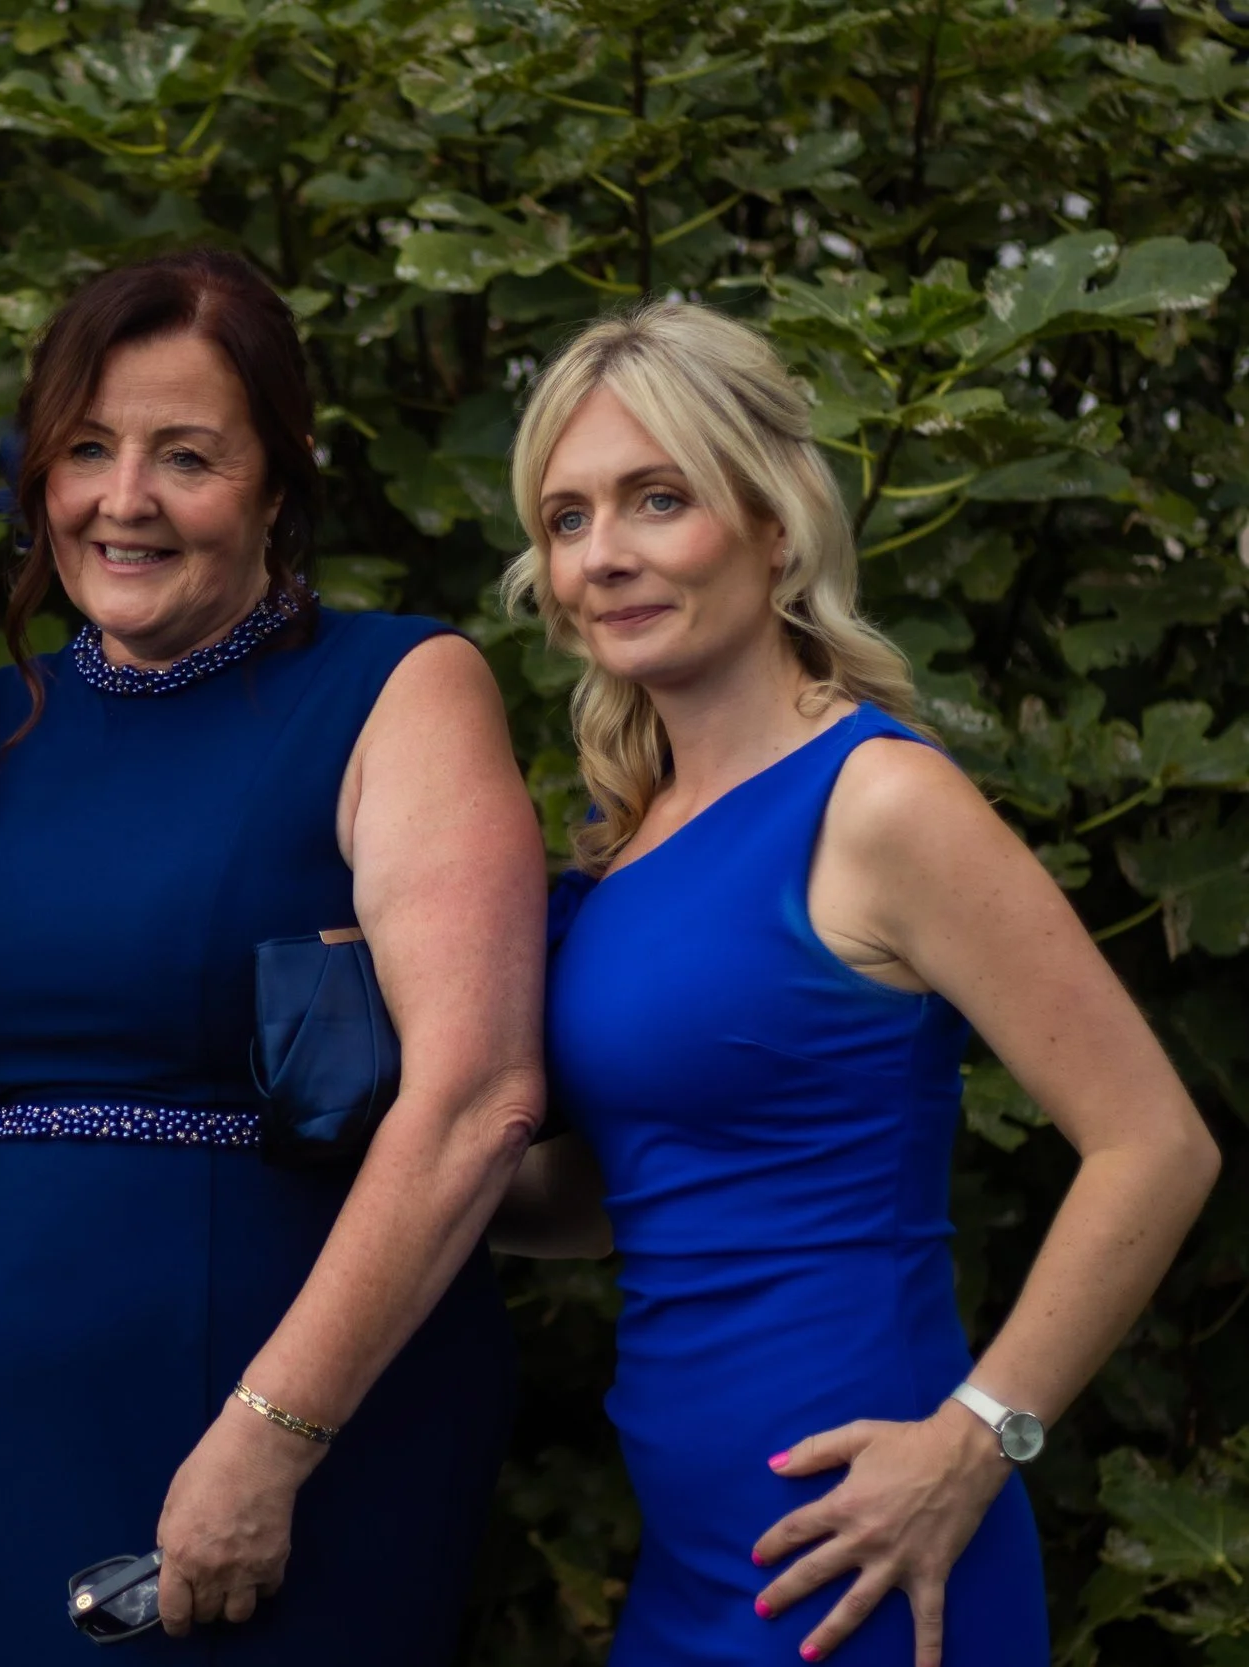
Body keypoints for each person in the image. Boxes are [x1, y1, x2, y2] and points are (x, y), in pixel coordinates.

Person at [495, 301, 1220, 1665]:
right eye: (568, 518)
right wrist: (375, 1169)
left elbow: (1157, 1145)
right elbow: (620, 1196)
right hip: (696, 1564)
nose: (605, 554)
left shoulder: (878, 799)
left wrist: (978, 1439)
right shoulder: (627, 832)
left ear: (774, 523)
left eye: (658, 498)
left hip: (880, 1558)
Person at [0, 249, 547, 1662]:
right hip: (17, 1403)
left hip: (294, 1409)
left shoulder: (398, 686)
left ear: (278, 484)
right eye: (87, 448)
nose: (123, 498)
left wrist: (272, 1435)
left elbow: (478, 1096)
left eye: (187, 456)